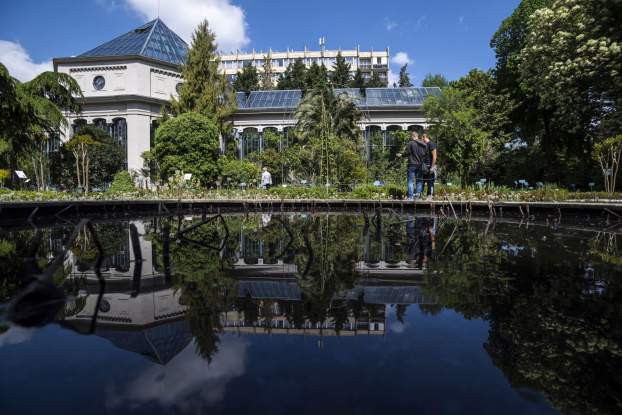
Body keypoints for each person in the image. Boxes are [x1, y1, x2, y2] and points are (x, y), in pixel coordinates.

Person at [397, 131, 429, 200]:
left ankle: (410, 197)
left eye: (411, 136)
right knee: (419, 180)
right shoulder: (423, 144)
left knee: (410, 181)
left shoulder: (410, 143)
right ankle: (417, 196)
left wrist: (401, 155)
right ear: (417, 136)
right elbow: (426, 154)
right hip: (420, 165)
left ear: (412, 136)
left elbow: (407, 153)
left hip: (412, 164)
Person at [422, 133, 437, 199]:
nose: (421, 139)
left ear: (424, 137)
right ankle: (421, 195)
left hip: (430, 166)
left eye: (422, 138)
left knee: (430, 181)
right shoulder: (425, 145)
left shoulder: (431, 144)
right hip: (424, 166)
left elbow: (434, 156)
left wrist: (432, 166)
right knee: (422, 181)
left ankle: (430, 195)